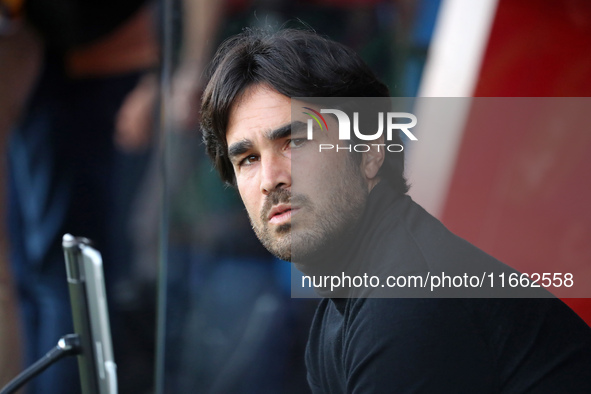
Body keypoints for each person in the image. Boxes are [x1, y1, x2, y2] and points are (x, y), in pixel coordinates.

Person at [199, 28, 591, 392]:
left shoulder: (409, 301)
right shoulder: (347, 304)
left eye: (295, 141)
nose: (271, 178)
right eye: (248, 159)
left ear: (370, 152)